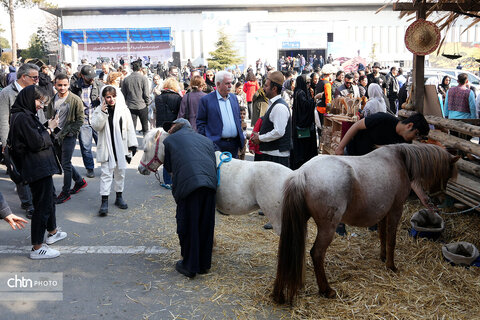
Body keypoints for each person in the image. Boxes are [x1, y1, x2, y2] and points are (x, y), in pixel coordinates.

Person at [334, 112, 430, 235]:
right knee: (344, 188)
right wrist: (341, 147)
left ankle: (372, 222)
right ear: (409, 125)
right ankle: (339, 222)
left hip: (372, 168)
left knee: (371, 193)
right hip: (354, 156)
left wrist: (422, 196)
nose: (414, 138)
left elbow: (408, 173)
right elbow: (356, 126)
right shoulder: (383, 119)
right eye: (416, 134)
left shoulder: (405, 145)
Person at [9, 85, 66, 259]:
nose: (41, 105)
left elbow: (35, 136)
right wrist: (49, 129)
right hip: (36, 168)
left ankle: (52, 232)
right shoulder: (22, 118)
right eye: (39, 101)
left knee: (47, 201)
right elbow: (36, 142)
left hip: (40, 167)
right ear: (28, 99)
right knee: (42, 205)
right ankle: (37, 247)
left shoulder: (25, 116)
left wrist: (48, 127)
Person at [161, 118, 217, 278]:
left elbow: (169, 168)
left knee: (189, 225)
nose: (168, 130)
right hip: (210, 185)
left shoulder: (170, 140)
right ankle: (204, 264)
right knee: (206, 225)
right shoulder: (205, 140)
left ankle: (189, 265)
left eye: (170, 126)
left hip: (190, 186)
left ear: (176, 126)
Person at [0, 63, 41, 218]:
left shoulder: (34, 91)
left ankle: (34, 200)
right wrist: (6, 144)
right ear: (23, 77)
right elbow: (3, 120)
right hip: (15, 140)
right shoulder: (7, 93)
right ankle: (27, 204)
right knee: (19, 173)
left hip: (32, 138)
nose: (37, 80)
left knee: (33, 170)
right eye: (34, 77)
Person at [90, 85, 138, 216]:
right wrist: (103, 113)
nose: (111, 99)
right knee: (106, 174)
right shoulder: (98, 110)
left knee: (120, 173)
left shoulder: (123, 110)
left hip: (121, 147)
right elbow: (97, 127)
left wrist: (132, 145)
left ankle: (119, 197)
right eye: (108, 97)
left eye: (113, 96)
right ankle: (104, 201)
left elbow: (129, 128)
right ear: (103, 98)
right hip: (107, 148)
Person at [46, 73, 87, 204]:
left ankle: (65, 192)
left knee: (65, 164)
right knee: (65, 162)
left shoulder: (75, 100)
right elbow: (49, 117)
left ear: (68, 85)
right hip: (56, 136)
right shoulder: (53, 99)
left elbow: (81, 119)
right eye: (59, 85)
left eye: (65, 85)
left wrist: (71, 132)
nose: (62, 88)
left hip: (69, 135)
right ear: (55, 85)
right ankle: (80, 182)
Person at [197, 70, 245, 158]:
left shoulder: (233, 98)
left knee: (233, 171)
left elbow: (238, 118)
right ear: (218, 84)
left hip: (233, 145)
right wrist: (208, 142)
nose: (230, 86)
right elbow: (200, 123)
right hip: (216, 145)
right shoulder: (206, 100)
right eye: (227, 83)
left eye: (231, 83)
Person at [251, 71, 291, 167]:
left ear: (274, 88)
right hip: (272, 155)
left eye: (266, 86)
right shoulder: (273, 104)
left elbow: (279, 132)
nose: (263, 88)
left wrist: (260, 138)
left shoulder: (279, 107)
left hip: (276, 157)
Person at [70, 65, 104, 178]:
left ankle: (107, 167)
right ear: (83, 76)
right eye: (89, 77)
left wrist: (101, 101)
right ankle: (90, 168)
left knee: (103, 145)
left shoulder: (99, 85)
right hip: (83, 120)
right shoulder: (75, 86)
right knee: (86, 147)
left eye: (93, 77)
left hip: (97, 119)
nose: (92, 79)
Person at [155, 77, 182, 190]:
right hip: (173, 128)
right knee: (175, 154)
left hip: (161, 128)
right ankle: (175, 179)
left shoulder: (158, 97)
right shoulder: (178, 98)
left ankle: (167, 181)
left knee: (165, 154)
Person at [291, 75, 318, 170]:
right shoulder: (300, 93)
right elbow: (305, 107)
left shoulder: (299, 92)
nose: (308, 84)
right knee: (304, 148)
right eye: (307, 83)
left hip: (300, 124)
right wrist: (314, 100)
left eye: (309, 83)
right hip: (302, 125)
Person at [121, 60, 151, 136]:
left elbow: (123, 94)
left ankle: (133, 146)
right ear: (140, 68)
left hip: (130, 106)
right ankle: (146, 144)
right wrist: (147, 103)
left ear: (132, 68)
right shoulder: (143, 79)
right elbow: (146, 94)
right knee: (145, 128)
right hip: (142, 105)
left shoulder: (126, 79)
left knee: (131, 128)